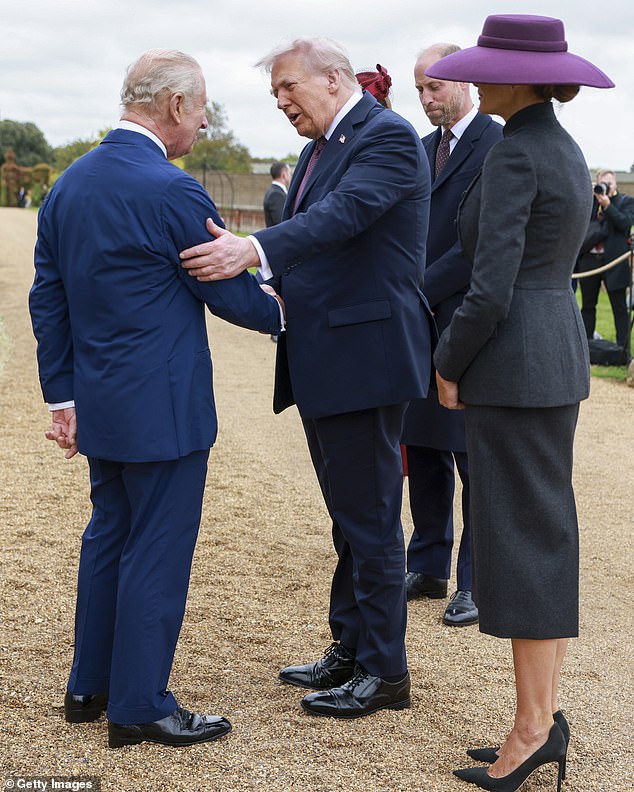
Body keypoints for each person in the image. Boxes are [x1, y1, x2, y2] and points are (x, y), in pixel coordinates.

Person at [29, 49, 284, 749]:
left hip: (102, 405)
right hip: (165, 409)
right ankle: (140, 705)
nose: (202, 125)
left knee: (108, 537)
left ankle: (91, 685)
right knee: (157, 552)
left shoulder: (69, 184)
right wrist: (289, 311)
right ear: (174, 106)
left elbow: (47, 297)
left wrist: (63, 397)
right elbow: (230, 293)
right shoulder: (172, 190)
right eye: (201, 110)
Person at [179, 37, 433, 719]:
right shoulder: (321, 145)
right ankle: (350, 645)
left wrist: (251, 249)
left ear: (333, 78)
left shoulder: (387, 137)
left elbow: (341, 217)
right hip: (330, 354)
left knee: (371, 518)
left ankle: (385, 672)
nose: (282, 102)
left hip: (366, 356)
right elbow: (321, 236)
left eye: (289, 87)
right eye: (275, 94)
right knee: (349, 516)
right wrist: (276, 286)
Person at [427, 15, 613, 791]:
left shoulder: (515, 154)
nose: (476, 75)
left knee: (525, 545)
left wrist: (447, 361)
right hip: (550, 357)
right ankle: (537, 719)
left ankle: (534, 728)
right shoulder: (559, 147)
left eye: (488, 65)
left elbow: (489, 286)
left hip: (512, 364)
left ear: (522, 77)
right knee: (543, 536)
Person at [401, 43, 502, 626]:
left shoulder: (496, 144)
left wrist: (416, 287)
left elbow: (482, 245)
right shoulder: (420, 149)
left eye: (433, 87)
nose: (425, 98)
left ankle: (476, 580)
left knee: (470, 454)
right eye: (419, 89)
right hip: (420, 319)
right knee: (427, 446)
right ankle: (429, 562)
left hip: (467, 318)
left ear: (463, 82)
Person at [577, 169, 634, 355]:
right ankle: (586, 350)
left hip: (614, 262)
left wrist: (608, 205)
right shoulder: (590, 202)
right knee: (587, 307)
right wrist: (590, 195)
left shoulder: (626, 202)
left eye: (609, 183)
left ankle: (623, 351)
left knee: (619, 308)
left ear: (616, 183)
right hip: (590, 261)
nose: (606, 187)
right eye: (603, 184)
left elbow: (625, 223)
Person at [263, 161, 291, 227]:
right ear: (283, 174)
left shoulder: (272, 191)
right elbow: (281, 222)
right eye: (289, 173)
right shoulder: (276, 194)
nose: (291, 176)